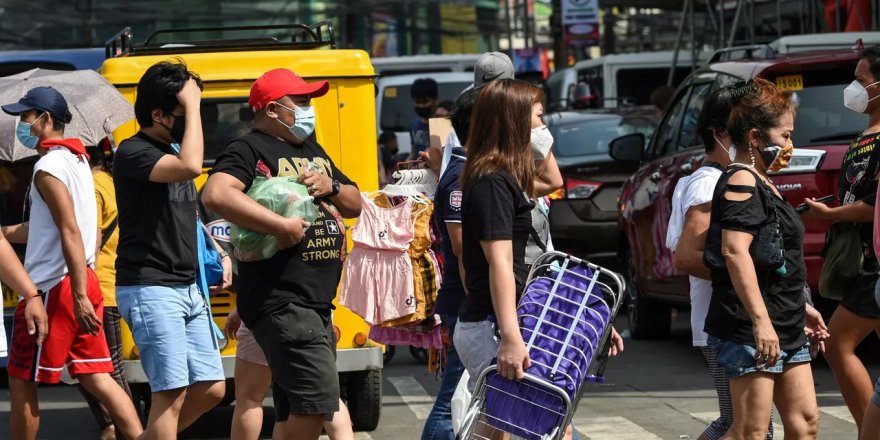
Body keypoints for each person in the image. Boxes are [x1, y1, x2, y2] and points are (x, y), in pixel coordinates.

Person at [202, 68, 362, 440]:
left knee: (302, 408)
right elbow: (217, 194)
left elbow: (354, 202)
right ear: (273, 110)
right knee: (317, 405)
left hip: (315, 302)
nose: (308, 109)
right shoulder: (249, 148)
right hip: (283, 302)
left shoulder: (312, 150)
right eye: (301, 102)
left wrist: (331, 185)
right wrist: (280, 226)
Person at [3, 87, 143, 440]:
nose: (23, 125)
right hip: (81, 279)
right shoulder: (78, 161)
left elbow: (69, 230)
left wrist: (77, 293)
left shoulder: (47, 166)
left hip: (53, 289)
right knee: (99, 376)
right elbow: (70, 228)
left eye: (25, 118)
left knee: (21, 380)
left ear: (45, 120)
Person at [113, 61, 229, 440]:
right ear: (158, 114)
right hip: (151, 287)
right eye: (182, 112)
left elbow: (189, 212)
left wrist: (218, 251)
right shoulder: (133, 152)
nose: (193, 118)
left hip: (187, 286)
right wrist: (193, 105)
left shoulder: (175, 147)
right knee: (171, 393)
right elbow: (192, 166)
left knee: (212, 388)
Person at [703, 78, 819, 440]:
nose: (789, 145)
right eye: (784, 136)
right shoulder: (741, 180)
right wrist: (761, 322)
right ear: (755, 138)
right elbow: (734, 252)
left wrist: (802, 305)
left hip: (785, 319)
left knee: (804, 423)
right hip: (753, 326)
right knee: (750, 432)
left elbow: (776, 255)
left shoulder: (761, 179)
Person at [667, 86, 774, 440]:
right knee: (746, 426)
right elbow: (686, 257)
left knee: (742, 423)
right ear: (721, 133)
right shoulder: (709, 182)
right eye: (744, 124)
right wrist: (743, 274)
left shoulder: (731, 178)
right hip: (725, 322)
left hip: (732, 319)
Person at [802, 45, 880, 437]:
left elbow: (874, 205)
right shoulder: (867, 134)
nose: (854, 88)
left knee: (837, 344)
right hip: (861, 261)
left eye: (862, 80)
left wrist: (831, 216)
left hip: (873, 263)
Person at [222, 308, 354, 440]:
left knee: (250, 398)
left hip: (261, 311)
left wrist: (241, 308)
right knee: (325, 396)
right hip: (312, 314)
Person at [75, 137, 130, 440]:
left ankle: (119, 427)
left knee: (99, 367)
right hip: (115, 281)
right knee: (109, 365)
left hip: (101, 286)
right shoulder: (111, 181)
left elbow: (90, 241)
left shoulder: (92, 187)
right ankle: (118, 426)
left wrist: (83, 286)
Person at [409, 78, 438, 160]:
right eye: (417, 102)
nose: (421, 106)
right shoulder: (414, 124)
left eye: (425, 102)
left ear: (435, 99)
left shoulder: (440, 124)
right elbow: (413, 152)